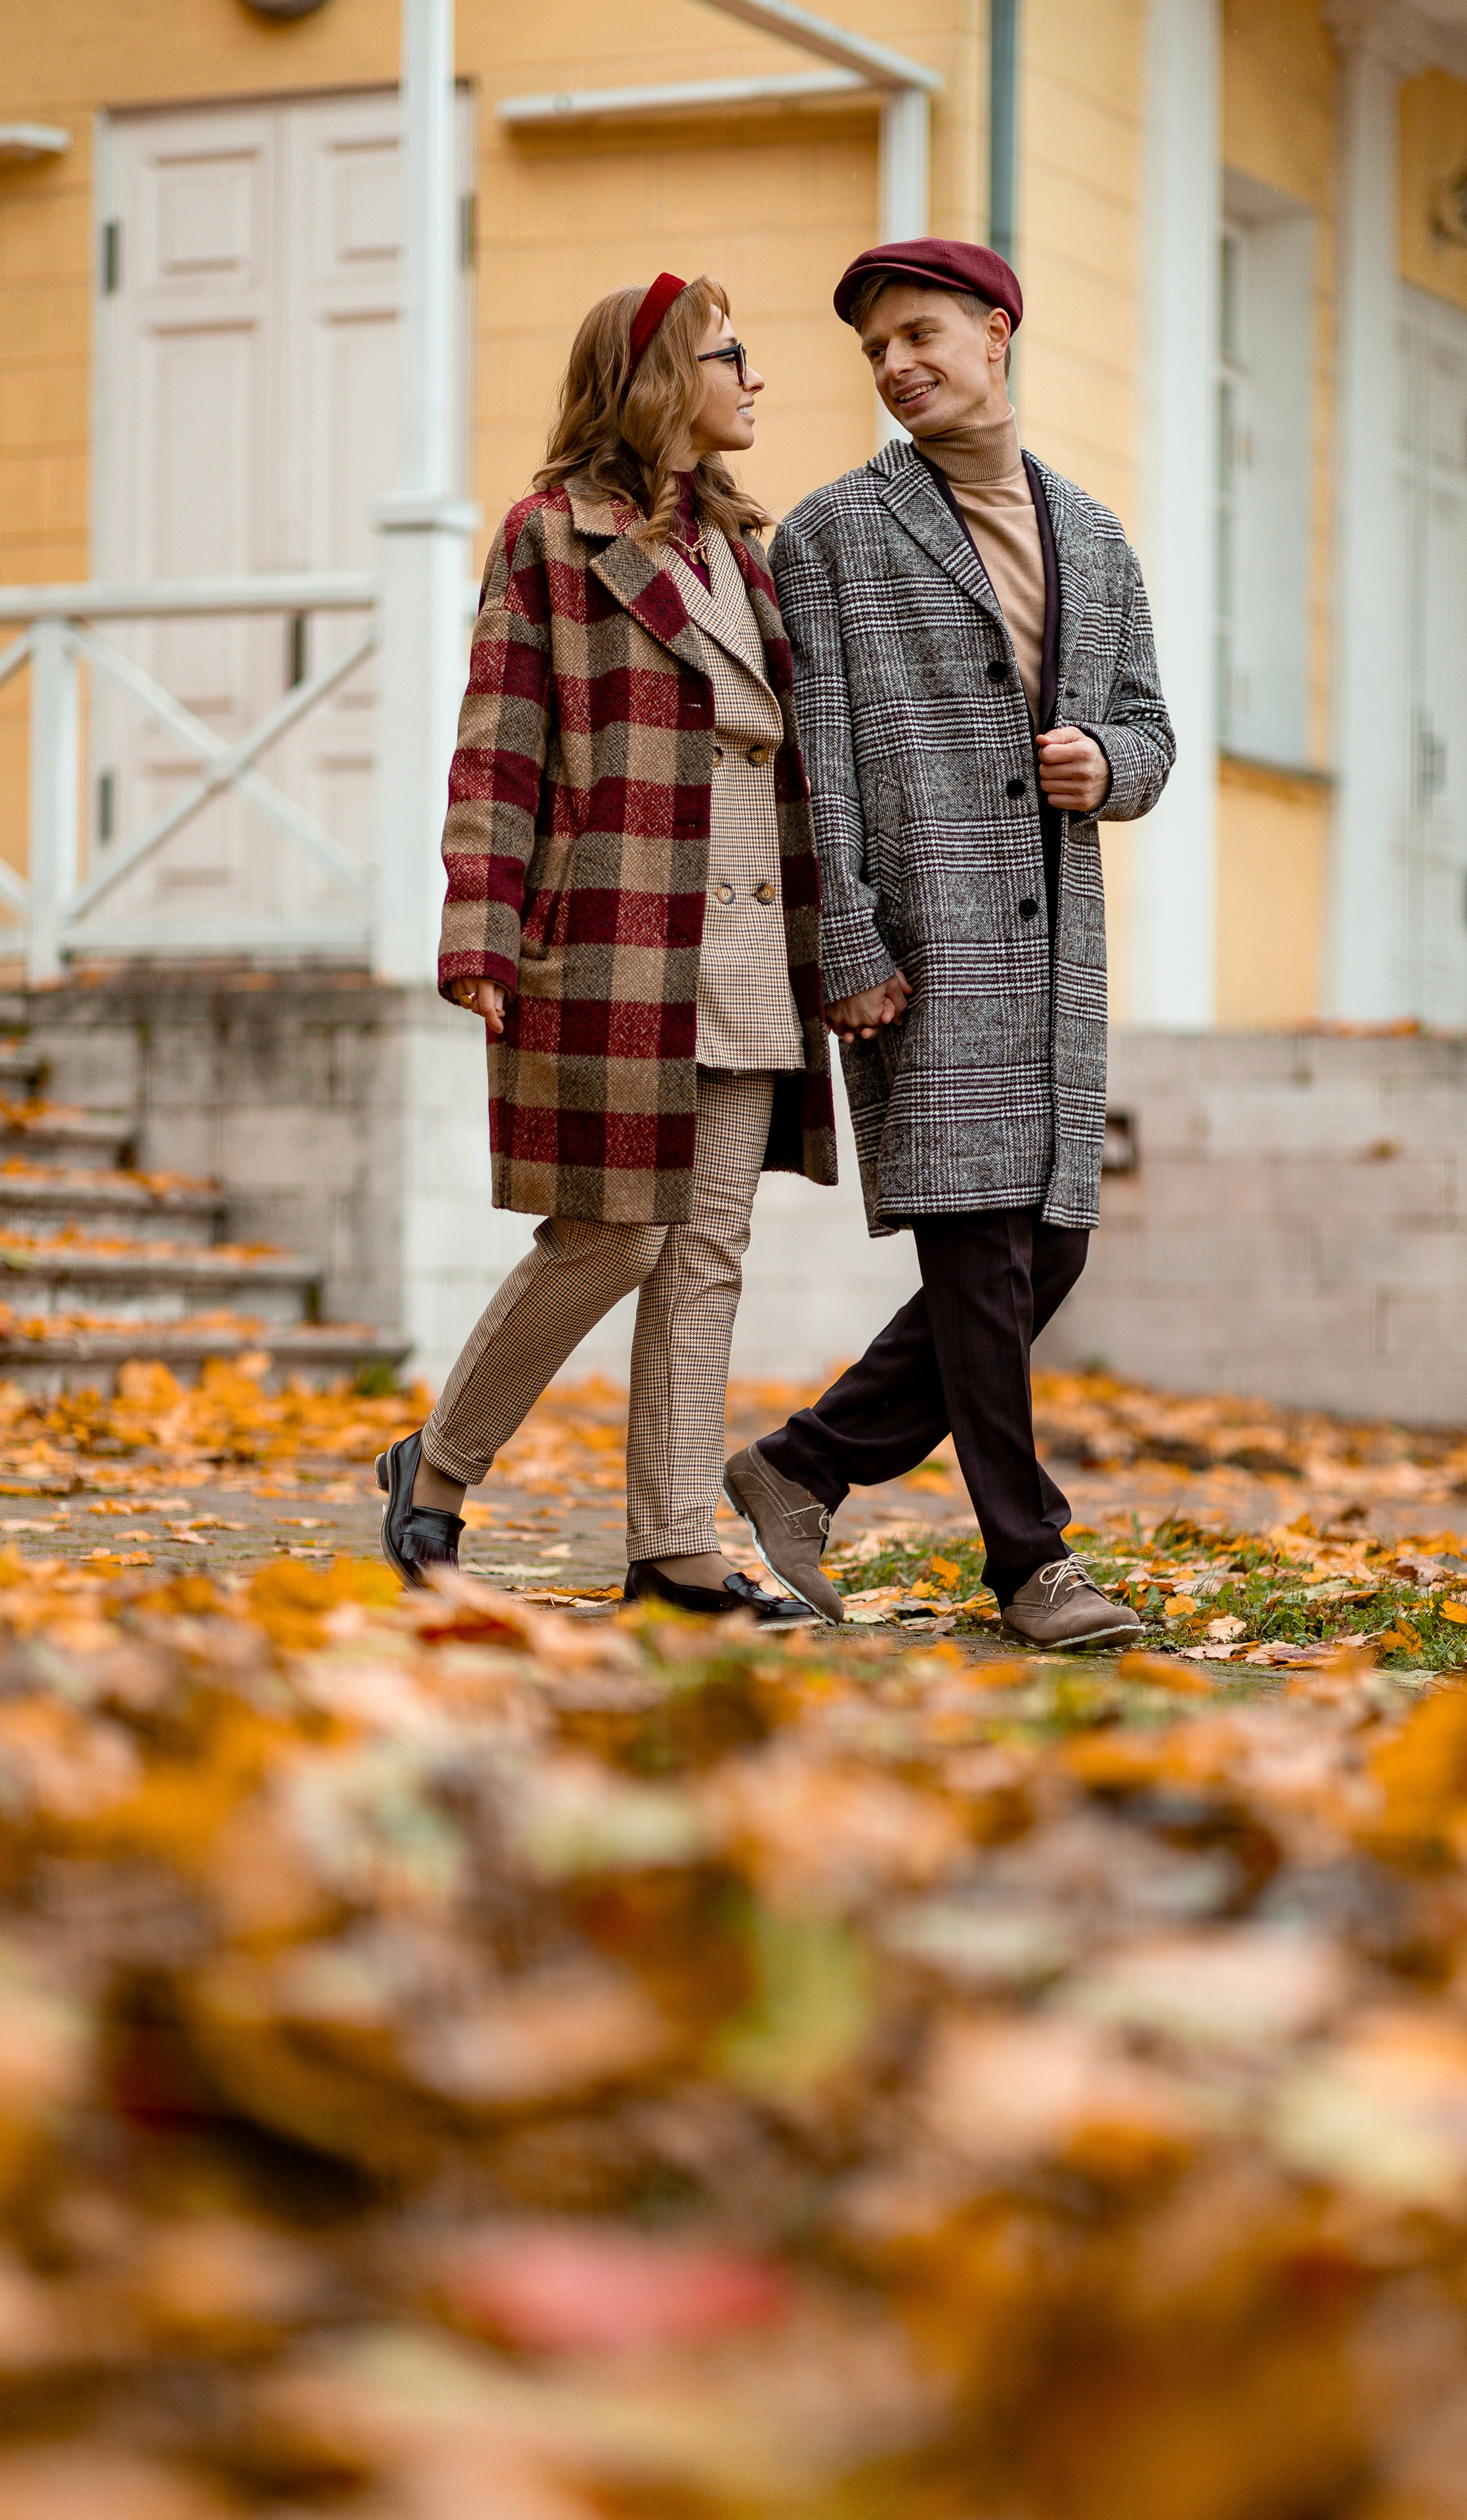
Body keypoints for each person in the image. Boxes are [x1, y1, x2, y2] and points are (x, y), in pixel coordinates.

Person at [723, 239, 1174, 1647]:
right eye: (874, 352)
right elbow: (819, 755)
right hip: (925, 937)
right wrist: (843, 937)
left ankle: (799, 1467)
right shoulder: (833, 534)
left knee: (1048, 1256)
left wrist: (1108, 760)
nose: (896, 367)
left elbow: (1151, 726)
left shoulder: (1092, 535)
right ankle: (1028, 1563)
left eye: (919, 335)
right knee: (977, 1248)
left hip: (1052, 955)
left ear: (995, 334)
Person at [376, 272, 836, 1621]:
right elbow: (497, 744)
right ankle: (436, 1468)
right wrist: (483, 923)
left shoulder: (746, 549)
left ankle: (672, 1550)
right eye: (730, 357)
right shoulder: (548, 541)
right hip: (620, 931)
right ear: (654, 378)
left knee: (707, 1252)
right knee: (612, 1237)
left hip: (753, 934)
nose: (756, 382)